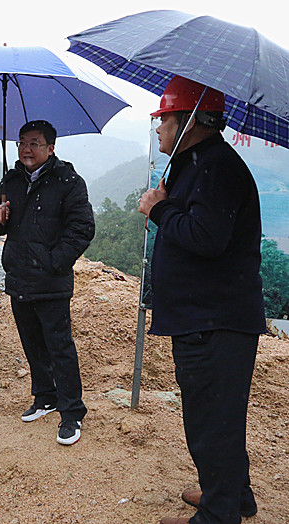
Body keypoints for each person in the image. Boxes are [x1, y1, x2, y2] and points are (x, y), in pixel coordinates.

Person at [138, 76, 265, 524]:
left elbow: (206, 238)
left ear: (189, 121)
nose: (158, 127)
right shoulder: (197, 163)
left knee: (212, 422)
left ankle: (218, 514)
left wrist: (159, 208)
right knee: (216, 417)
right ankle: (232, 496)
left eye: (163, 118)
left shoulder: (216, 167)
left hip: (215, 320)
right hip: (205, 317)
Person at [0, 120, 94, 446]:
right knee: (32, 343)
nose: (26, 149)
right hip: (19, 276)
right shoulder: (11, 180)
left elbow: (82, 229)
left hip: (50, 281)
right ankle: (45, 397)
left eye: (34, 143)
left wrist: (53, 262)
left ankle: (72, 412)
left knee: (59, 347)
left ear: (51, 148)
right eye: (22, 142)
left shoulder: (68, 182)